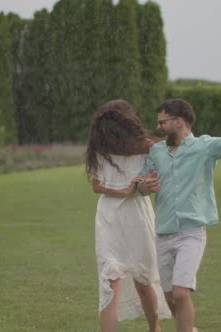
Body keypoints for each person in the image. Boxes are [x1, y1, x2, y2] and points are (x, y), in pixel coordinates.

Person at [138, 83, 221, 332]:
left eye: (163, 122)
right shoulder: (156, 152)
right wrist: (146, 186)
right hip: (162, 234)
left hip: (191, 233)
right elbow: (141, 184)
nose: (159, 127)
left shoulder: (204, 147)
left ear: (179, 122)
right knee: (170, 298)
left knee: (181, 293)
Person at [85, 99, 171, 332]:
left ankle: (155, 328)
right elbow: (96, 185)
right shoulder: (101, 149)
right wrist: (123, 191)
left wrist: (132, 188)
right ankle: (155, 328)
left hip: (129, 216)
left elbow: (98, 187)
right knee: (111, 281)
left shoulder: (146, 147)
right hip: (115, 218)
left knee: (141, 279)